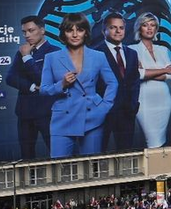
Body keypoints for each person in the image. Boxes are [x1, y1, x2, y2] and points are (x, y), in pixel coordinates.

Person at [40, 15, 117, 158]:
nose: (75, 35)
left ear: (86, 32)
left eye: (80, 30)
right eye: (70, 30)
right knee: (58, 168)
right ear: (63, 33)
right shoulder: (51, 58)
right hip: (62, 118)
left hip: (92, 117)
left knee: (91, 168)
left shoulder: (98, 56)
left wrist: (104, 106)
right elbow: (44, 89)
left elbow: (112, 82)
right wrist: (61, 84)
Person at [4, 15, 54, 159]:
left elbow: (43, 80)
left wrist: (27, 57)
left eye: (31, 30)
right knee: (26, 156)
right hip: (24, 113)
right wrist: (32, 86)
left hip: (47, 113)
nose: (27, 35)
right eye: (24, 32)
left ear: (42, 30)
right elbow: (10, 78)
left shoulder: (54, 51)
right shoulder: (21, 52)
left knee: (56, 153)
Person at [99, 14, 141, 152]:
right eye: (113, 28)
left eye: (121, 28)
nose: (118, 31)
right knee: (99, 150)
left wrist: (133, 105)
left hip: (127, 112)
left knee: (125, 152)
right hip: (104, 113)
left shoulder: (132, 53)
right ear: (103, 30)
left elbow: (135, 82)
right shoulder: (95, 53)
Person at [134, 12, 171, 148]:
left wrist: (148, 72)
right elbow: (138, 74)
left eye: (152, 25)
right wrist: (164, 70)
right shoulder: (132, 50)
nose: (149, 28)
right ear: (139, 28)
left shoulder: (162, 50)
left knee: (161, 139)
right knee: (152, 140)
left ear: (156, 29)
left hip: (163, 100)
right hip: (144, 100)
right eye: (145, 25)